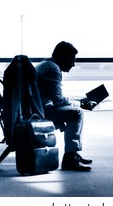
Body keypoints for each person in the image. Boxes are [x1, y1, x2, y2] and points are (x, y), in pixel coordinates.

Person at [35, 41, 94, 171]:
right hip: (41, 112)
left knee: (74, 111)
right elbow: (58, 100)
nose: (73, 64)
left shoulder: (46, 65)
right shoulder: (52, 69)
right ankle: (70, 158)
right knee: (76, 113)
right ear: (62, 57)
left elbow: (57, 98)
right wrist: (80, 104)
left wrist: (78, 101)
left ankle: (72, 153)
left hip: (38, 108)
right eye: (72, 60)